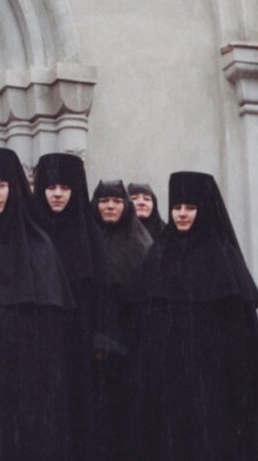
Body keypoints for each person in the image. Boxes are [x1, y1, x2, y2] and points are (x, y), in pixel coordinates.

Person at [123, 171, 258, 460]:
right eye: (176, 207)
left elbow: (243, 338)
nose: (181, 214)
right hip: (168, 391)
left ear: (204, 210)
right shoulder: (157, 257)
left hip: (214, 391)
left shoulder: (225, 261)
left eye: (190, 208)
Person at [0, 148, 78, 460]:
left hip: (28, 371)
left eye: (2, 185)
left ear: (15, 188)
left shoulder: (40, 244)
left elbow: (54, 322)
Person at [31, 153, 112, 459]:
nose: (57, 195)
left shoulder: (90, 238)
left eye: (65, 188)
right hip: (39, 343)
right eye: (51, 187)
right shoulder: (30, 232)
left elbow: (103, 294)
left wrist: (100, 338)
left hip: (80, 343)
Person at [89, 179, 153, 457]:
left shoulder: (142, 243)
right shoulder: (88, 239)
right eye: (104, 201)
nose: (110, 206)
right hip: (91, 348)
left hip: (130, 348)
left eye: (116, 201)